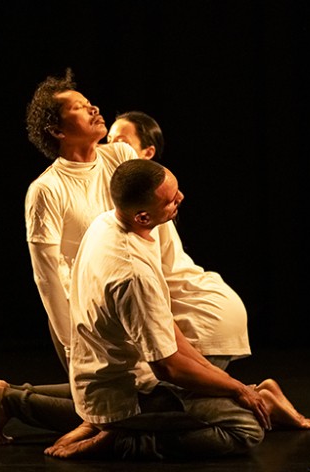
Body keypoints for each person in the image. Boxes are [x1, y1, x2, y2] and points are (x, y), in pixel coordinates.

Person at [0, 159, 310, 457]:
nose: (180, 199)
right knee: (246, 428)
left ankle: (9, 398)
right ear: (143, 215)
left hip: (111, 372)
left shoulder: (110, 223)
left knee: (216, 395)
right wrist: (239, 391)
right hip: (128, 389)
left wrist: (229, 384)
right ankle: (124, 440)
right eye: (170, 199)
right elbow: (168, 369)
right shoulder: (132, 274)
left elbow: (169, 332)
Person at [25, 71, 249, 372]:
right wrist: (72, 342)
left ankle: (12, 397)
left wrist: (167, 288)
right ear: (57, 130)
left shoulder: (119, 155)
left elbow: (158, 232)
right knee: (127, 402)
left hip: (141, 286)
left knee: (215, 322)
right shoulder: (47, 189)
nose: (93, 109)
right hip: (94, 309)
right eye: (78, 107)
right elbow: (48, 276)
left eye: (90, 102)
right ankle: (14, 398)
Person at [107, 111, 250, 370]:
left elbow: (156, 283)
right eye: (109, 140)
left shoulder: (150, 207)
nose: (112, 148)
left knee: (165, 398)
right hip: (200, 313)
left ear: (147, 153)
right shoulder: (132, 203)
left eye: (122, 142)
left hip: (202, 317)